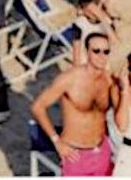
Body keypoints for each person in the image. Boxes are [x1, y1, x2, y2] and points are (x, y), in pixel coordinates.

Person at [31, 32, 117, 176]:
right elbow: (38, 107)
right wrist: (56, 141)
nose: (101, 56)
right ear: (87, 52)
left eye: (106, 51)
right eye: (96, 51)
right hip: (76, 153)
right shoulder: (69, 79)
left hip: (101, 149)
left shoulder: (109, 80)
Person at [71, 0, 119, 66]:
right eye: (89, 11)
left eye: (94, 10)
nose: (93, 13)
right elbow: (76, 53)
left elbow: (115, 42)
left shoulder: (107, 22)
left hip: (102, 64)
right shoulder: (80, 24)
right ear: (83, 11)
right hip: (85, 64)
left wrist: (101, 17)